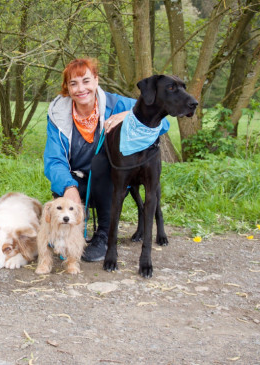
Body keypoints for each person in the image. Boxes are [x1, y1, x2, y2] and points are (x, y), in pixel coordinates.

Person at [43, 58, 169, 262]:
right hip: (76, 181)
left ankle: (104, 234)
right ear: (67, 88)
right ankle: (69, 233)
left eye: (86, 81)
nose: (80, 89)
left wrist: (131, 115)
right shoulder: (57, 114)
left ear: (96, 80)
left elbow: (163, 124)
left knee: (101, 164)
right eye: (73, 83)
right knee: (62, 191)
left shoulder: (117, 104)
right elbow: (53, 160)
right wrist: (68, 186)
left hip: (109, 181)